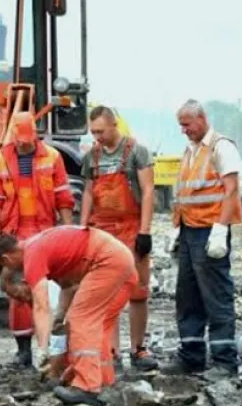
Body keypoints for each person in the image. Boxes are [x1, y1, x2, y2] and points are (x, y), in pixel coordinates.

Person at [0, 226, 137, 406]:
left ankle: (87, 387)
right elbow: (69, 287)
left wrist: (43, 350)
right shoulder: (42, 245)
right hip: (120, 260)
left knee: (80, 319)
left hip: (107, 261)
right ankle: (103, 381)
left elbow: (41, 308)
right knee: (98, 323)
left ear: (5, 259)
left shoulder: (32, 256)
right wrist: (60, 319)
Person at [0, 111, 75, 367]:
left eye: (28, 139)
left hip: (45, 232)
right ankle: (24, 350)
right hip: (15, 235)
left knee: (48, 291)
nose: (24, 144)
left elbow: (63, 198)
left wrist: (68, 232)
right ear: (13, 134)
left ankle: (52, 348)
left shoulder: (52, 156)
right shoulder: (1, 159)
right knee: (19, 293)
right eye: (20, 139)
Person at [166, 99, 242, 377]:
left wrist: (221, 230)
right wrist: (176, 229)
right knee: (187, 296)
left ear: (201, 119)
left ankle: (225, 362)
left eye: (186, 124)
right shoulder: (191, 151)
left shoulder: (222, 148)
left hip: (209, 231)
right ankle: (191, 356)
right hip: (188, 230)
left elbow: (231, 191)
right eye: (180, 125)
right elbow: (186, 193)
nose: (183, 130)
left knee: (216, 296)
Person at [80, 105, 158, 372]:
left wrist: (145, 231)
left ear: (114, 126)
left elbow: (148, 191)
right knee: (106, 293)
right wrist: (82, 229)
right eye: (93, 132)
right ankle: (111, 351)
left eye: (101, 131)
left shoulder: (136, 151)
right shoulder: (92, 156)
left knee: (138, 291)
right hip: (103, 231)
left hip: (131, 228)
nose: (97, 136)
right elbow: (89, 193)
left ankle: (138, 349)